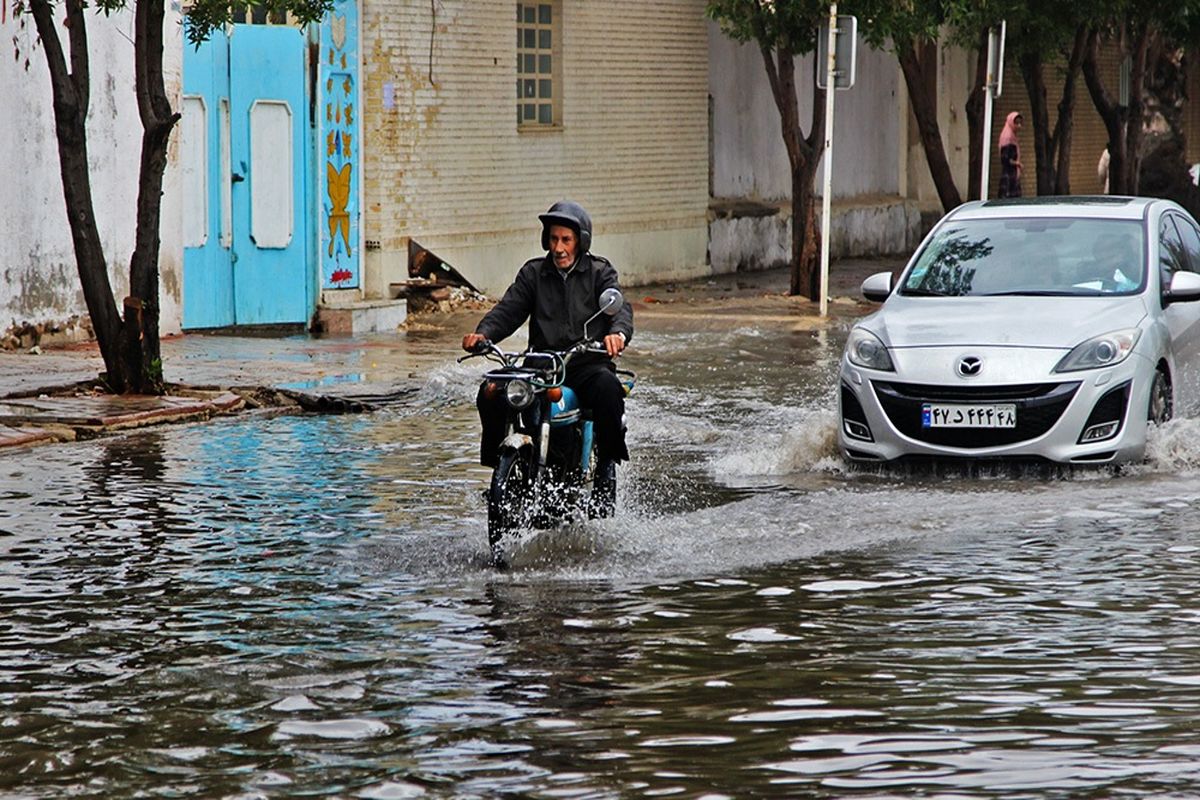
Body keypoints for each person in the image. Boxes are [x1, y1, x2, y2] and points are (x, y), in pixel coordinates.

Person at [462, 200, 634, 511]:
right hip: (542, 365)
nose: (559, 247)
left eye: (566, 240)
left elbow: (620, 310)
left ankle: (607, 469)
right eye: (553, 239)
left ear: (580, 240)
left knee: (609, 390)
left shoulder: (599, 272)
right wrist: (483, 333)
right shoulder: (533, 274)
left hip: (584, 364)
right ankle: (498, 472)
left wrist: (616, 335)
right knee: (490, 391)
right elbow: (508, 309)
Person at [998, 111, 1023, 199]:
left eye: (1020, 123)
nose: (1019, 126)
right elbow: (1005, 158)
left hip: (1013, 175)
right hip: (1009, 176)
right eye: (1016, 123)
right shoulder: (1007, 137)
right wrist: (1017, 163)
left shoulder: (1013, 137)